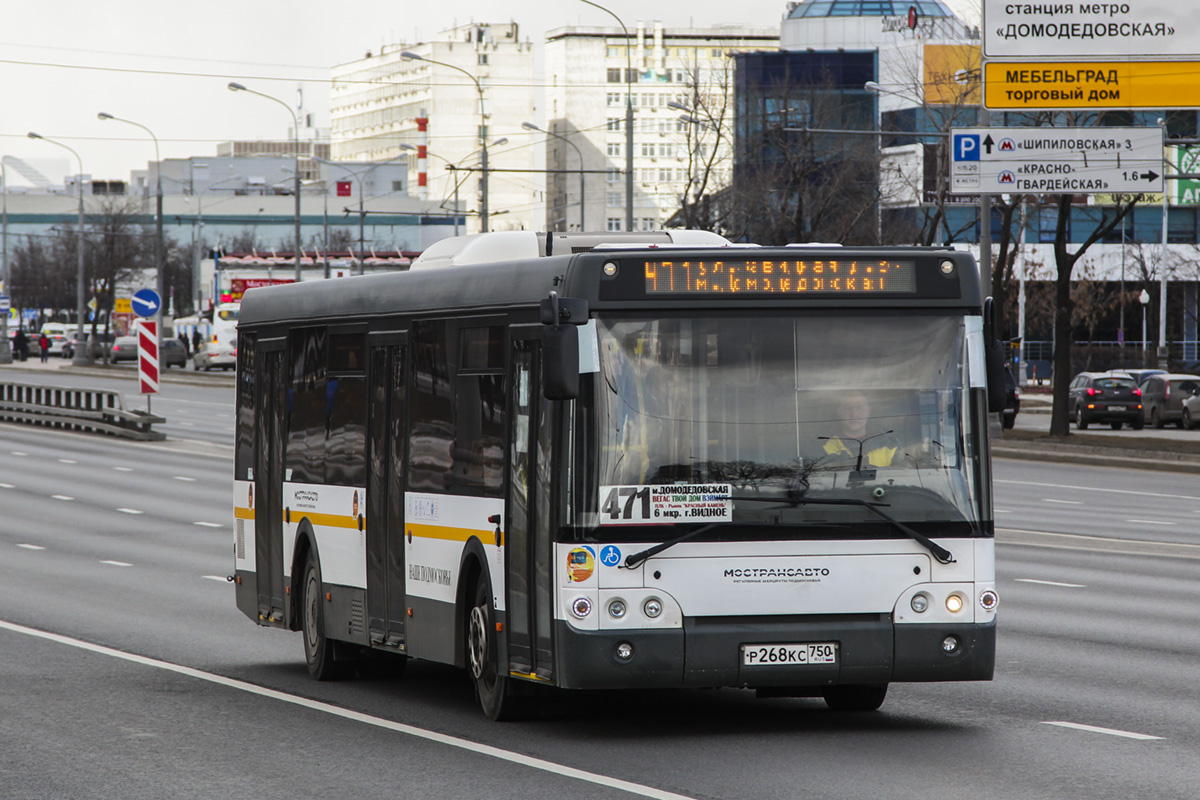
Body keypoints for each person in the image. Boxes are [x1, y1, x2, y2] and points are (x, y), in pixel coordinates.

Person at [819, 391, 897, 468]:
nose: (854, 414)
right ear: (839, 412)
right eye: (848, 408)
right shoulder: (823, 446)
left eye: (859, 408)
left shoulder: (890, 445)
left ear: (868, 411)